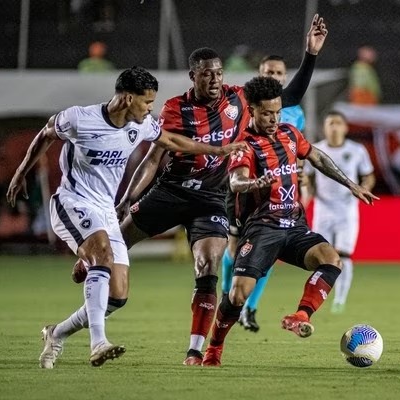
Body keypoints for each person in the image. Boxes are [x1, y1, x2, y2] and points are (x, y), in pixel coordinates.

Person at [73, 14, 327, 366]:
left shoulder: (238, 100)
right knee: (116, 244)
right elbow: (152, 158)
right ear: (193, 76)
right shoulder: (175, 109)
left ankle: (195, 349)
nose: (214, 79)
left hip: (211, 198)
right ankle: (87, 266)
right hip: (171, 190)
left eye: (219, 72)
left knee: (207, 264)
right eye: (206, 73)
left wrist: (310, 55)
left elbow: (290, 96)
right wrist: (127, 200)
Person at [6, 66, 246, 369]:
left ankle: (57, 332)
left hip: (105, 211)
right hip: (73, 202)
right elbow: (46, 133)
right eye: (147, 102)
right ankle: (98, 343)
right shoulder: (80, 118)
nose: (151, 109)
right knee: (102, 256)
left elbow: (173, 142)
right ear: (128, 98)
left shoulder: (142, 125)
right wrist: (20, 173)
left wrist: (219, 150)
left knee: (117, 296)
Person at [202, 76, 379, 366]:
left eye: (277, 112)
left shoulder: (290, 134)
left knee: (331, 259)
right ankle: (214, 348)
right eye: (266, 113)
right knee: (236, 296)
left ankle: (300, 316)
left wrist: (351, 184)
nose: (273, 119)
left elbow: (318, 157)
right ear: (253, 111)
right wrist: (257, 182)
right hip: (262, 229)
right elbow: (236, 181)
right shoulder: (244, 144)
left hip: (294, 226)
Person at [222, 54, 307, 332]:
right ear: (260, 73)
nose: (274, 76)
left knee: (269, 253)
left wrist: (300, 176)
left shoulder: (293, 112)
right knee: (234, 249)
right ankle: (229, 299)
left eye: (279, 72)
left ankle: (250, 308)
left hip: (276, 193)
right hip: (244, 188)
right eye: (268, 71)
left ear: (284, 76)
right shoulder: (249, 104)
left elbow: (299, 150)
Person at [303, 110, 375, 313]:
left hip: (346, 210)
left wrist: (364, 187)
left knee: (344, 255)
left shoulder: (357, 150)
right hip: (323, 209)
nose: (333, 127)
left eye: (337, 123)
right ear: (324, 128)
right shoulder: (316, 149)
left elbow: (368, 175)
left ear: (345, 127)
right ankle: (319, 296)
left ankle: (340, 300)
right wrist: (305, 194)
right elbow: (306, 177)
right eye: (330, 123)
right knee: (322, 256)